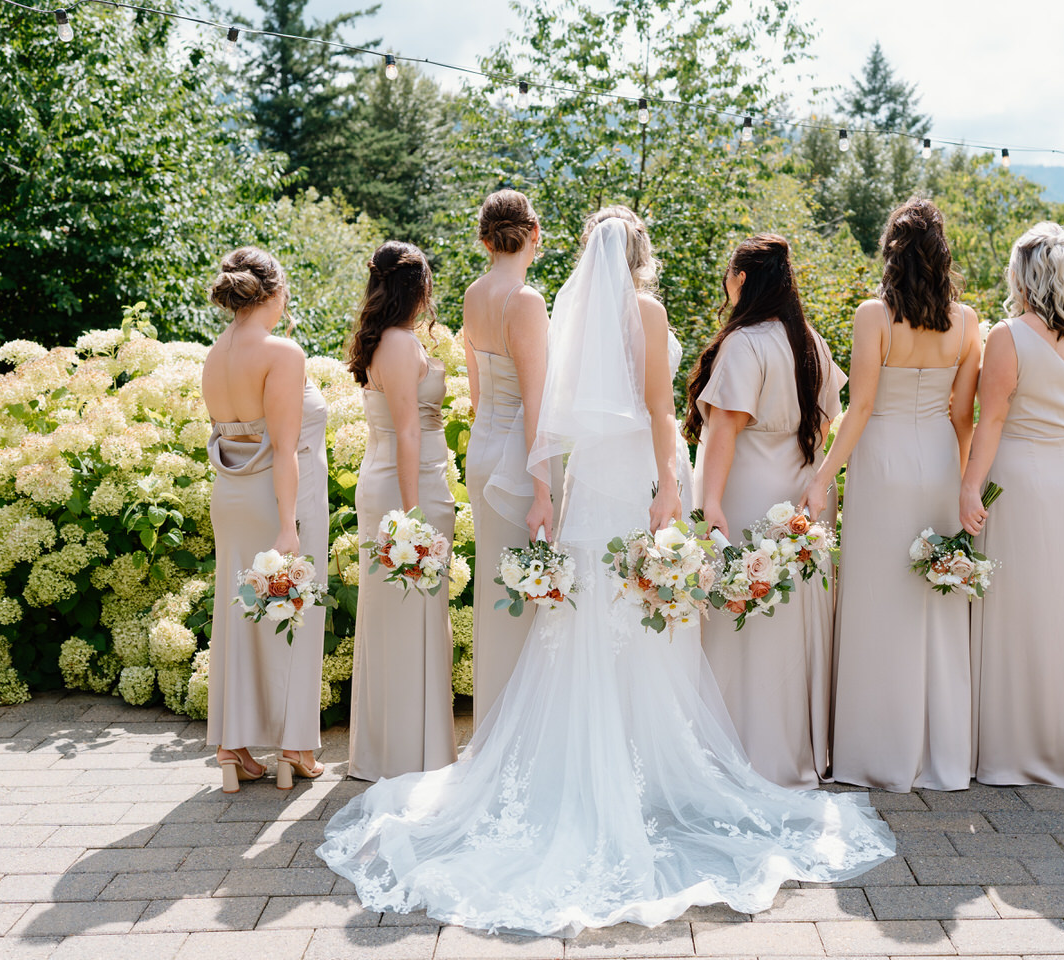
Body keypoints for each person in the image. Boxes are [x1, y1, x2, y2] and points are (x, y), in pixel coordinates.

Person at [318, 213, 895, 937]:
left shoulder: (570, 309)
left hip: (590, 481)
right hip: (635, 476)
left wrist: (549, 492)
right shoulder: (644, 311)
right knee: (644, 617)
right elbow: (658, 409)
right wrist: (668, 486)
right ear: (642, 255)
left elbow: (550, 409)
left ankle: (592, 770)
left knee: (592, 615)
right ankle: (645, 771)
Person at [806, 199, 980, 792]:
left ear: (891, 253)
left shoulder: (874, 316)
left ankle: (877, 751)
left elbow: (860, 408)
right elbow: (962, 415)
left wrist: (822, 477)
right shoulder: (968, 323)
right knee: (935, 598)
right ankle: (940, 753)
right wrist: (963, 482)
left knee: (878, 598)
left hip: (882, 462)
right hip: (938, 460)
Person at [685, 235, 846, 789]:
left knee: (744, 618)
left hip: (749, 493)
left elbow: (724, 430)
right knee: (790, 622)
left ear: (743, 280)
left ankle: (740, 751)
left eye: (728, 277)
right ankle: (792, 750)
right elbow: (827, 421)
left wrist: (709, 502)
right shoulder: (811, 342)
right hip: (800, 497)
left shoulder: (745, 343)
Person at [960, 222, 1064, 787]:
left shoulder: (1007, 335)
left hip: (1019, 476)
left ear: (1023, 276)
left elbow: (991, 420)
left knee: (1015, 605)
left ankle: (1011, 746)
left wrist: (969, 486)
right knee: (1062, 606)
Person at [202, 247, 328, 793]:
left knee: (237, 619)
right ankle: (294, 748)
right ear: (273, 292)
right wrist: (288, 525)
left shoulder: (215, 353)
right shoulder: (282, 352)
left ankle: (233, 748)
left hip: (229, 495)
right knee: (297, 616)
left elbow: (228, 431)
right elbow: (284, 448)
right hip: (276, 500)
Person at [344, 241, 457, 781]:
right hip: (405, 488)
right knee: (406, 615)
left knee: (411, 615)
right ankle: (405, 754)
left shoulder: (390, 339)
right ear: (418, 285)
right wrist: (412, 516)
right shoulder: (397, 343)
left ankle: (408, 747)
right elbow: (408, 430)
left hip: (405, 479)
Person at [461, 190, 555, 730]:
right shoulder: (526, 300)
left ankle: (493, 724)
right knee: (523, 588)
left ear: (484, 239)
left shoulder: (474, 294)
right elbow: (535, 403)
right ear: (535, 233)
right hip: (519, 458)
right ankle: (518, 733)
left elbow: (478, 393)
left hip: (483, 448)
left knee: (496, 584)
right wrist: (543, 490)